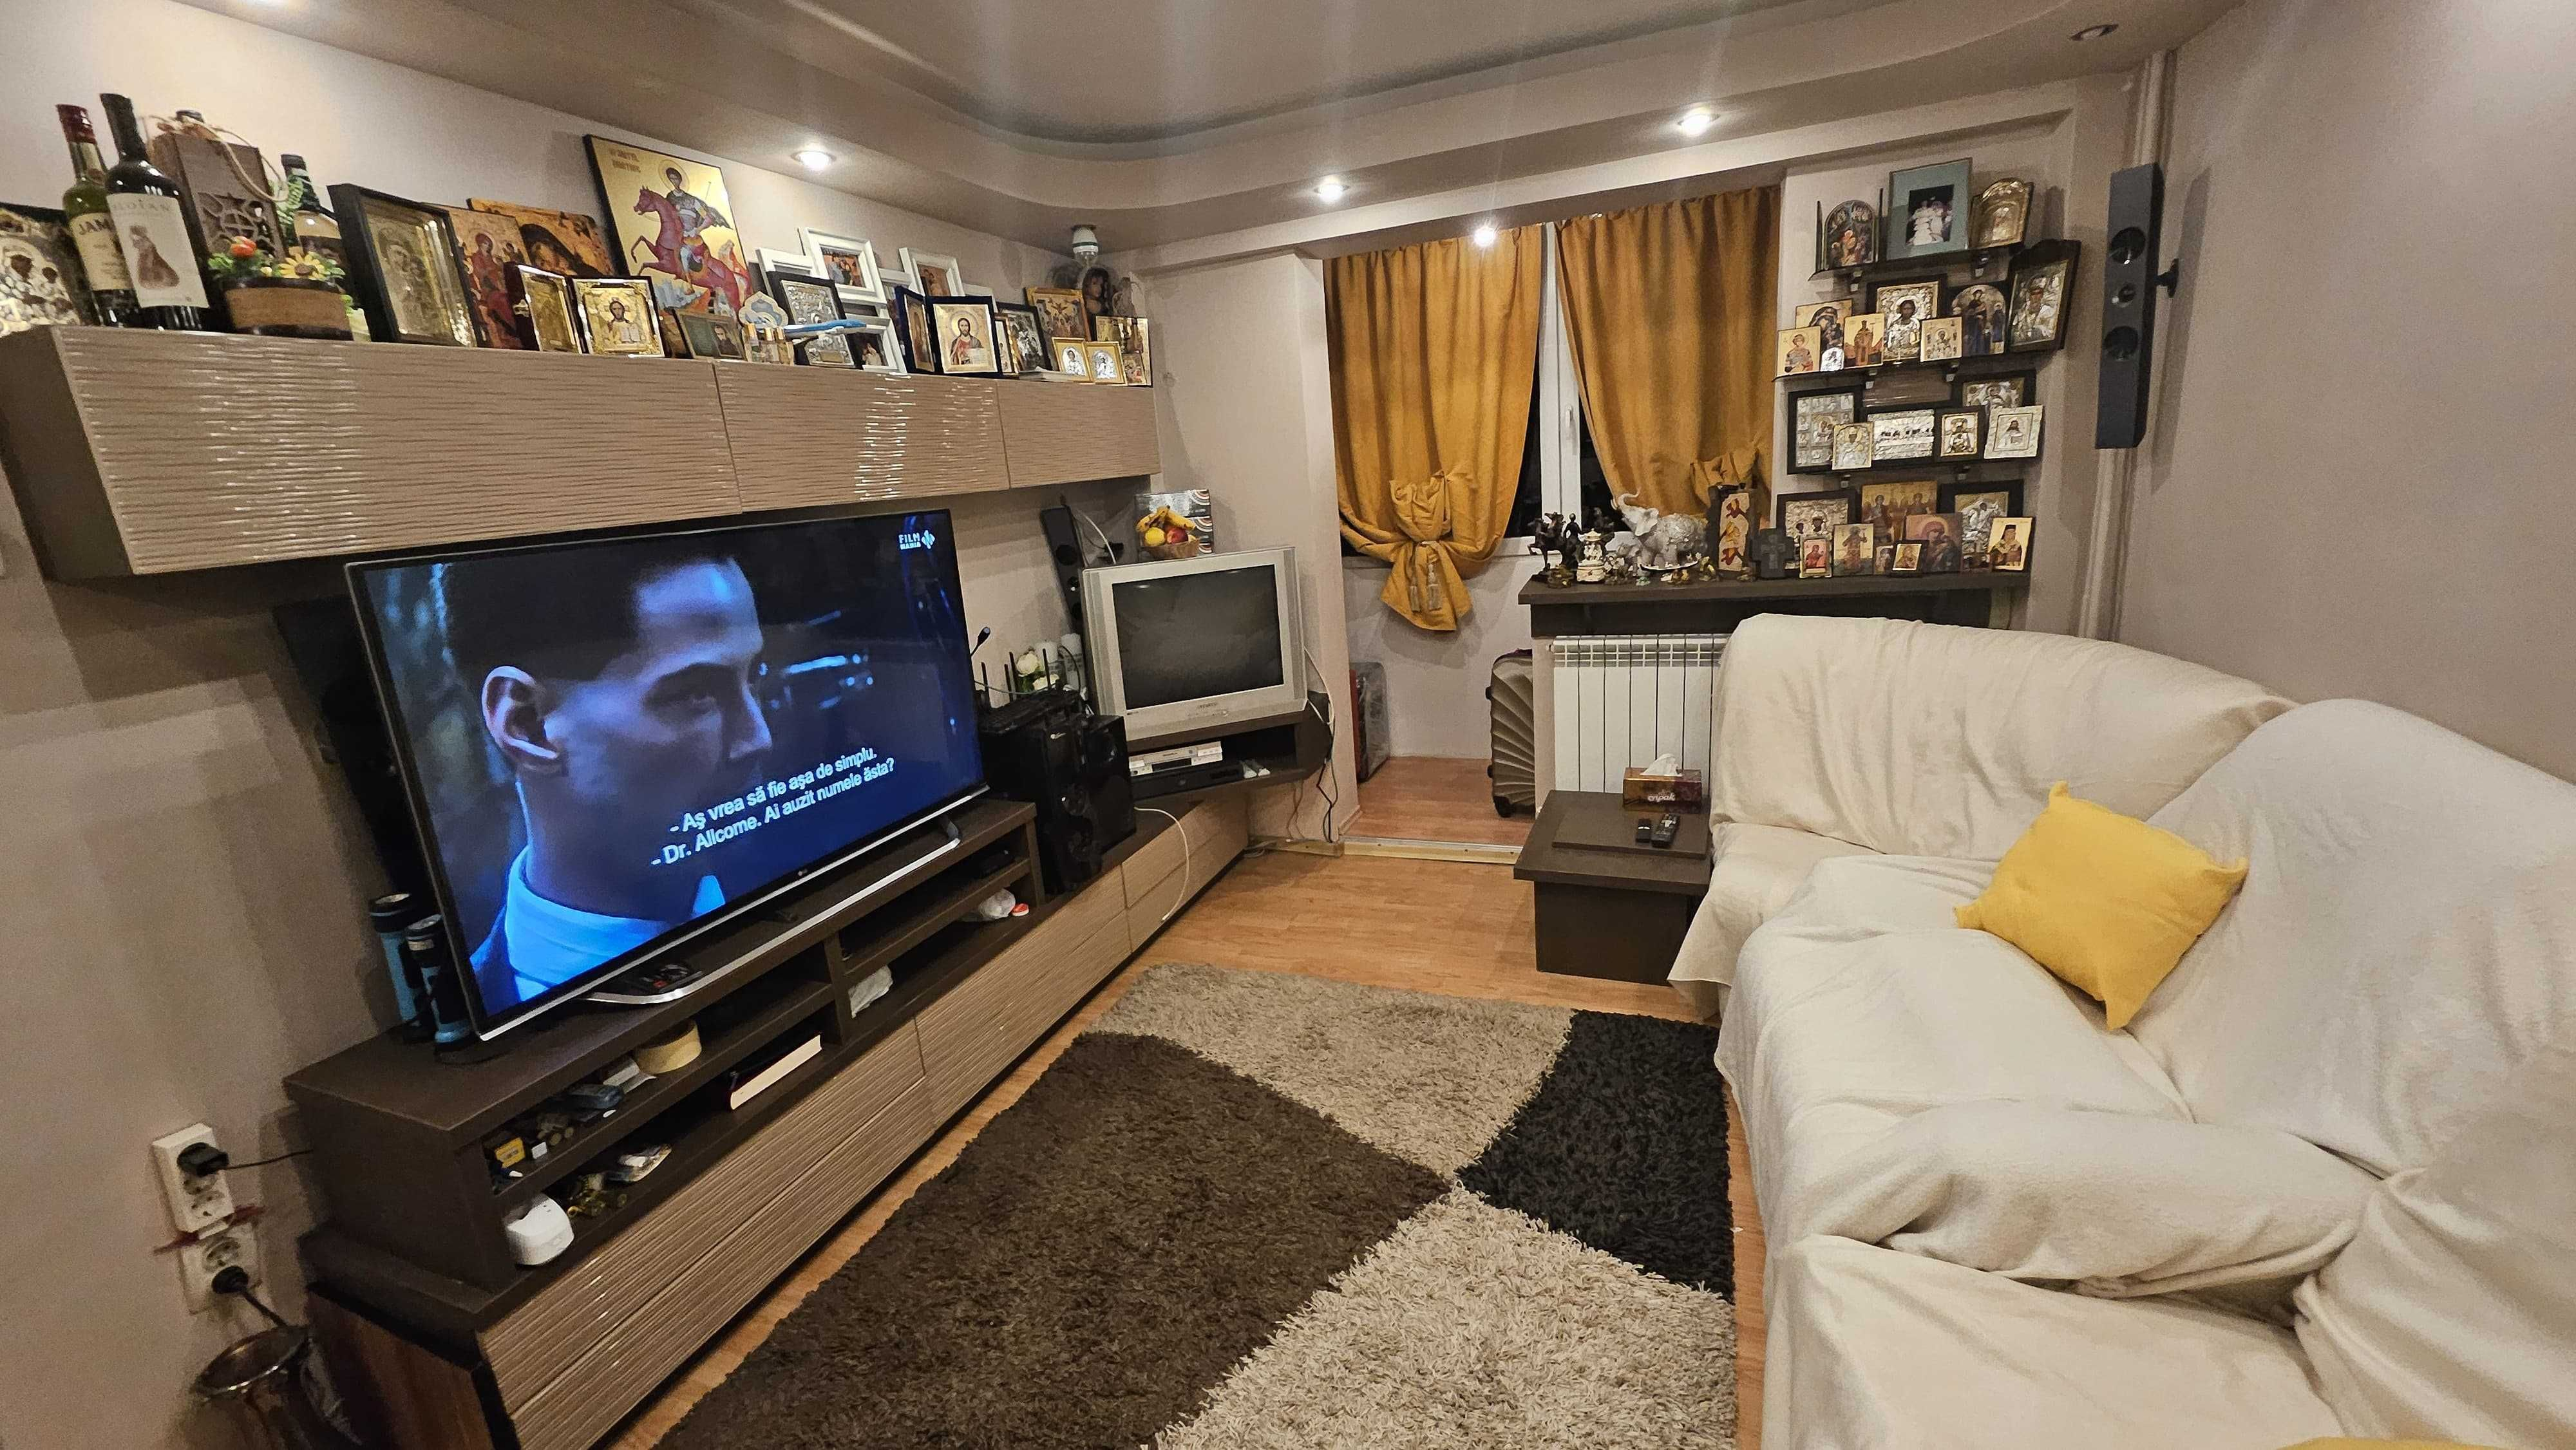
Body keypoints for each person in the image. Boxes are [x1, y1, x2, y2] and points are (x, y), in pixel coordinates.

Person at [440, 544, 776, 1006]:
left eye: (755, 676)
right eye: (695, 693)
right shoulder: (478, 1001)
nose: (758, 739)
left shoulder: (807, 878)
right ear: (528, 726)